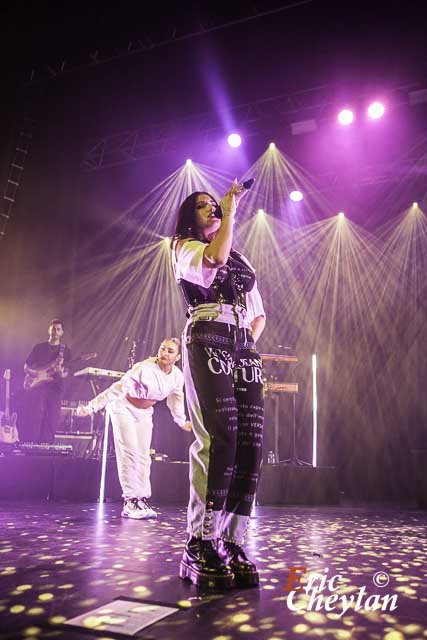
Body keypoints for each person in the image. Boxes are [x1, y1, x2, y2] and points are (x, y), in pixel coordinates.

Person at [171, 181, 266, 589]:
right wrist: (229, 210)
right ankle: (200, 540)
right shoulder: (182, 247)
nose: (212, 211)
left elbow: (259, 312)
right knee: (219, 437)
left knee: (250, 442)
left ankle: (232, 539)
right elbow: (214, 259)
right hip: (207, 332)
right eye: (203, 207)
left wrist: (245, 343)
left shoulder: (242, 260)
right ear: (188, 218)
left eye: (216, 206)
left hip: (241, 343)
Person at [76, 338, 192, 520]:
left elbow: (176, 399)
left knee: (143, 456)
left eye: (170, 351)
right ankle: (130, 501)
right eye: (162, 349)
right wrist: (91, 407)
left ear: (177, 357)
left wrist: (181, 421)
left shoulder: (177, 376)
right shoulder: (144, 368)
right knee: (129, 452)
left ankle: (141, 499)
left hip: (145, 413)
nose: (164, 353)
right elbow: (117, 389)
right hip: (123, 407)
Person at [23, 319, 72, 444]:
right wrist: (37, 374)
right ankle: (32, 444)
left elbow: (66, 373)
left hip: (55, 387)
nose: (55, 331)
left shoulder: (65, 351)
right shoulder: (39, 347)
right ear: (49, 330)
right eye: (53, 328)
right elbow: (26, 366)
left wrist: (60, 372)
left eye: (58, 329)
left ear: (62, 332)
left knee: (52, 416)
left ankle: (47, 445)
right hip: (38, 385)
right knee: (36, 414)